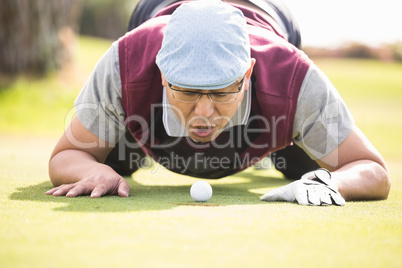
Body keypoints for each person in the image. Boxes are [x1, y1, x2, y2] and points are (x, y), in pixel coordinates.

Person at [46, 0, 391, 206]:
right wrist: (93, 169)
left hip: (265, 12)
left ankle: (286, 148)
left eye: (222, 92)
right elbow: (66, 154)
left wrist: (334, 183)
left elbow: (372, 170)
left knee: (305, 170)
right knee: (117, 162)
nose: (204, 114)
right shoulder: (125, 64)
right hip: (158, 7)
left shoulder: (294, 81)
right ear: (162, 74)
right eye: (188, 92)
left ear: (249, 72)